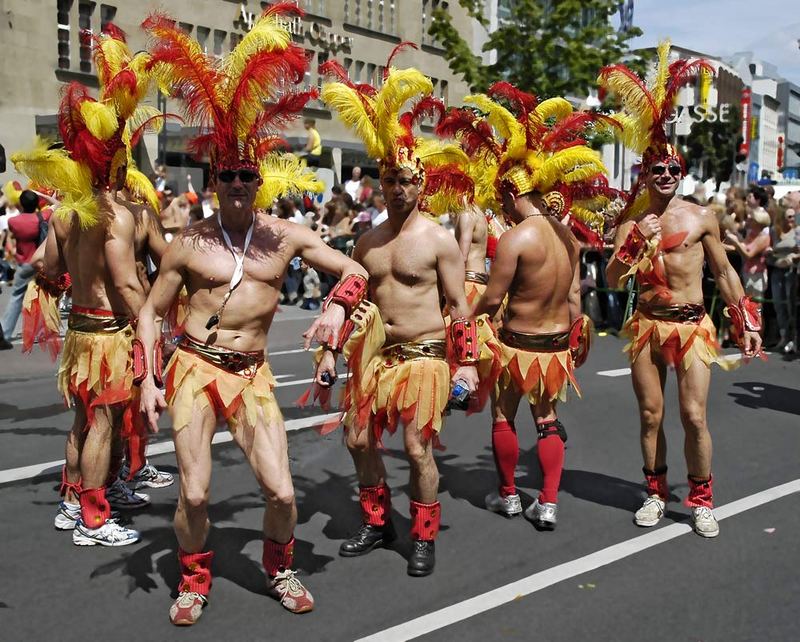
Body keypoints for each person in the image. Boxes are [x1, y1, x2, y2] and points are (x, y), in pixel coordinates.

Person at [138, 7, 362, 625]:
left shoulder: (284, 237)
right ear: (215, 180)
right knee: (195, 491)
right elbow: (151, 314)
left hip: (252, 372)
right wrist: (150, 378)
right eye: (227, 175)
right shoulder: (188, 242)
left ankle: (280, 567)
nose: (237, 184)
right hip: (192, 367)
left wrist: (336, 315)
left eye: (246, 176)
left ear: (257, 180)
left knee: (283, 491)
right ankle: (192, 581)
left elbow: (354, 271)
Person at [316, 55, 480, 578]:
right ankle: (378, 521)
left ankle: (423, 535)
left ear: (422, 183)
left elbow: (458, 306)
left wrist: (468, 364)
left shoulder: (439, 239)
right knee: (358, 439)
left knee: (415, 447)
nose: (397, 188)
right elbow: (351, 296)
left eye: (406, 179)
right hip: (376, 357)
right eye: (389, 178)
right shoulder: (367, 241)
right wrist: (327, 348)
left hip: (427, 357)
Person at [600, 42, 762, 538]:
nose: (666, 176)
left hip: (693, 325)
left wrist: (746, 319)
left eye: (673, 170)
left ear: (681, 173)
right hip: (648, 326)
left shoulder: (701, 217)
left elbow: (725, 270)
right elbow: (611, 279)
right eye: (657, 170)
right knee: (651, 416)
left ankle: (701, 498)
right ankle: (653, 492)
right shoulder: (632, 220)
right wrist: (634, 247)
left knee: (694, 416)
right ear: (644, 174)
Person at [444, 85, 604, 527]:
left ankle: (510, 495)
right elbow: (574, 295)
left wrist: (465, 323)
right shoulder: (568, 238)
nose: (502, 211)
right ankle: (548, 502)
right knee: (548, 420)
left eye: (503, 203)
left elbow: (492, 298)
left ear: (514, 196)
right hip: (554, 344)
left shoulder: (517, 237)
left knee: (502, 414)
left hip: (517, 343)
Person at [0, 189, 50, 348]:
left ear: (21, 203)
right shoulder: (42, 217)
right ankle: (42, 332)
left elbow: (12, 238)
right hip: (40, 263)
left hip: (23, 264)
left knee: (16, 297)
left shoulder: (13, 221)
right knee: (43, 298)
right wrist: (46, 196)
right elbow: (59, 206)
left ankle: (6, 332)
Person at [767, 207, 799, 353]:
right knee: (779, 305)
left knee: (791, 305)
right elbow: (769, 253)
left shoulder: (797, 231)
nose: (792, 219)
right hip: (777, 270)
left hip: (791, 271)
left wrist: (791, 259)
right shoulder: (774, 231)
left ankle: (793, 339)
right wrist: (775, 260)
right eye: (789, 217)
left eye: (793, 216)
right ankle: (783, 336)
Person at [725, 207, 771, 305]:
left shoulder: (763, 238)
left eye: (751, 218)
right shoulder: (750, 234)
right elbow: (741, 248)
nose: (748, 219)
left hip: (756, 276)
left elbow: (748, 255)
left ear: (757, 222)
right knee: (747, 306)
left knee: (755, 308)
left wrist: (736, 241)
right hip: (746, 273)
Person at [453, 203, 488, 307]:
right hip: (480, 283)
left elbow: (462, 257)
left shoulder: (467, 214)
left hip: (469, 286)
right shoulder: (478, 213)